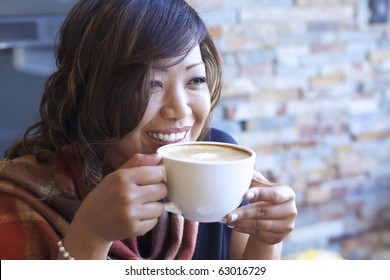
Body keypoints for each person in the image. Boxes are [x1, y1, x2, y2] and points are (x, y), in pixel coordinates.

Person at [0, 0, 297, 260]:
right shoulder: (21, 199)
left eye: (195, 81)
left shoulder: (221, 161)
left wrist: (267, 238)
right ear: (90, 92)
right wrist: (91, 235)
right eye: (149, 84)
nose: (180, 110)